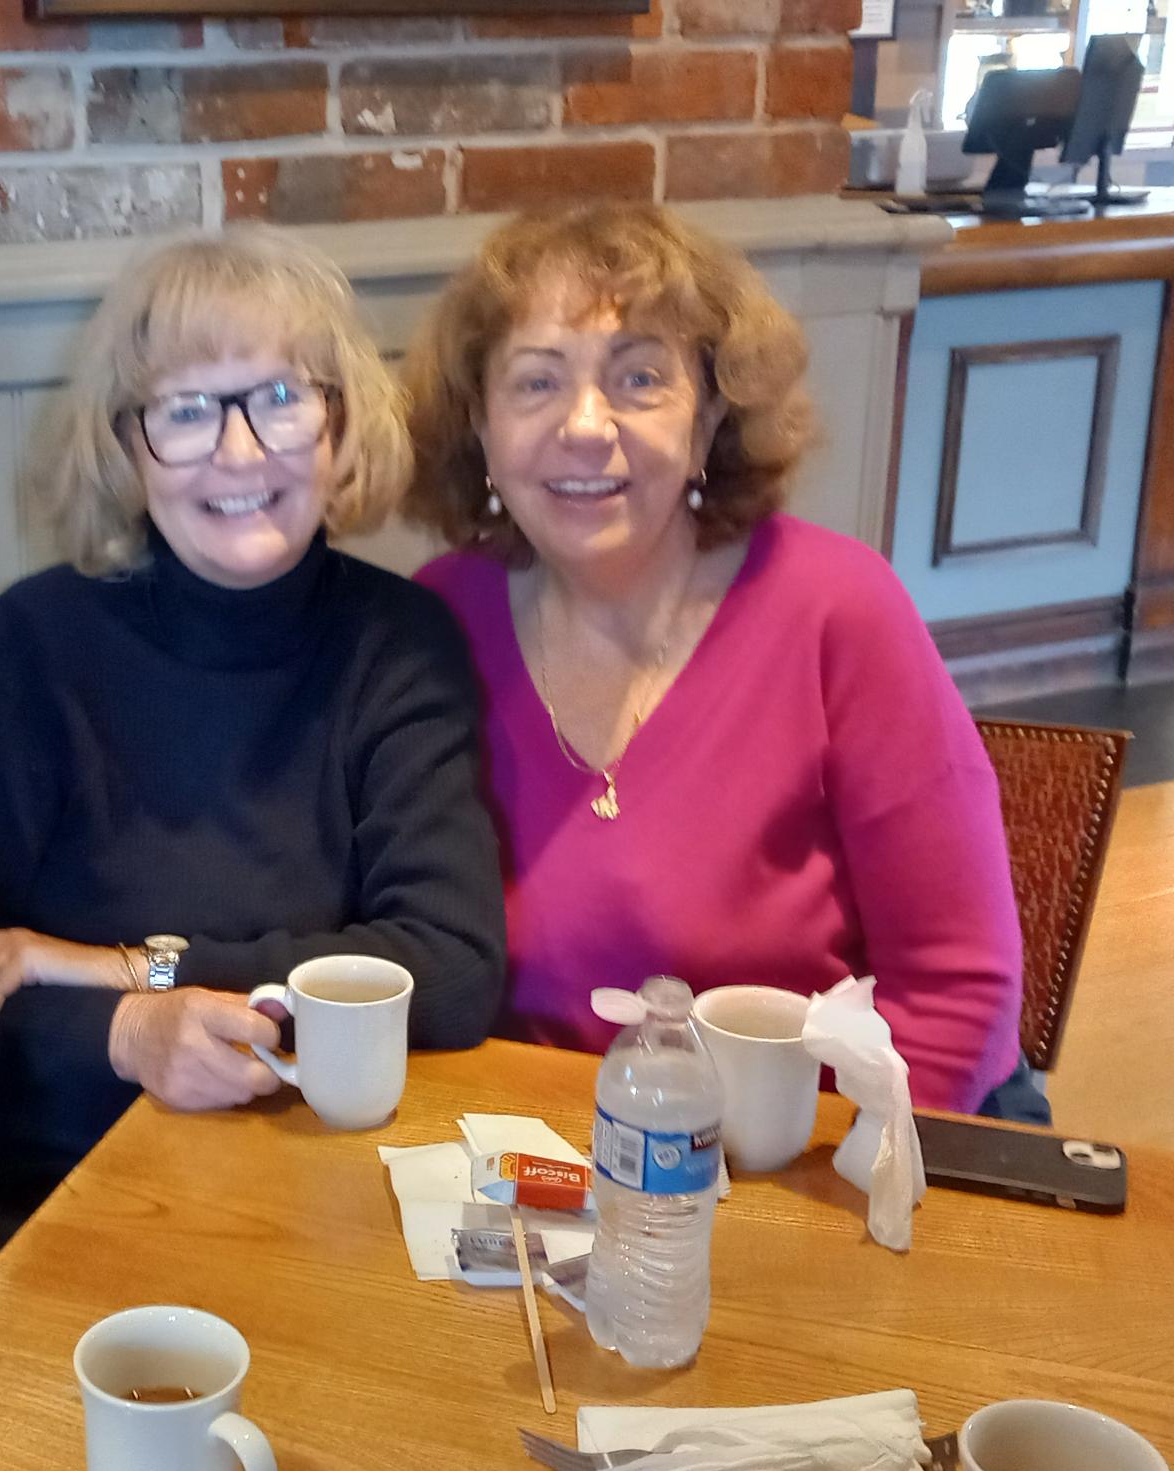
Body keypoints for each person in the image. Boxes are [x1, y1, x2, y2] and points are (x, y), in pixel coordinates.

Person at [0, 227, 506, 1241]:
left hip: (326, 1190)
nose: (240, 454)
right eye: (185, 412)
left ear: (341, 424)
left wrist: (129, 969)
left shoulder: (399, 643)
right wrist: (125, 1036)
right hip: (61, 1198)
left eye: (280, 398)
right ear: (125, 448)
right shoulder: (33, 648)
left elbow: (448, 972)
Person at [405, 201, 1023, 1115]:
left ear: (707, 426)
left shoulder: (837, 609)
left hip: (805, 1154)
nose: (585, 425)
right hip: (530, 1158)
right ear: (482, 434)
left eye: (639, 378)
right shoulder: (436, 616)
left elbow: (956, 994)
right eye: (535, 383)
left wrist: (825, 1199)